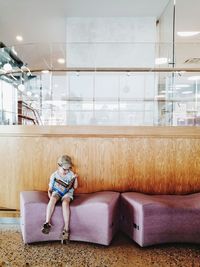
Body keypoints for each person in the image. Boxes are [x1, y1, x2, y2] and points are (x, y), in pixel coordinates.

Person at [41, 155, 78, 242]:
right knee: (53, 199)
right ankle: (47, 222)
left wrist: (75, 179)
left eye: (68, 169)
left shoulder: (71, 174)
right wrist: (50, 196)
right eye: (64, 169)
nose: (66, 171)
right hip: (57, 192)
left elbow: (75, 187)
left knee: (65, 203)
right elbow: (49, 189)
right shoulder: (54, 175)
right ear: (59, 166)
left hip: (67, 193)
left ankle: (66, 228)